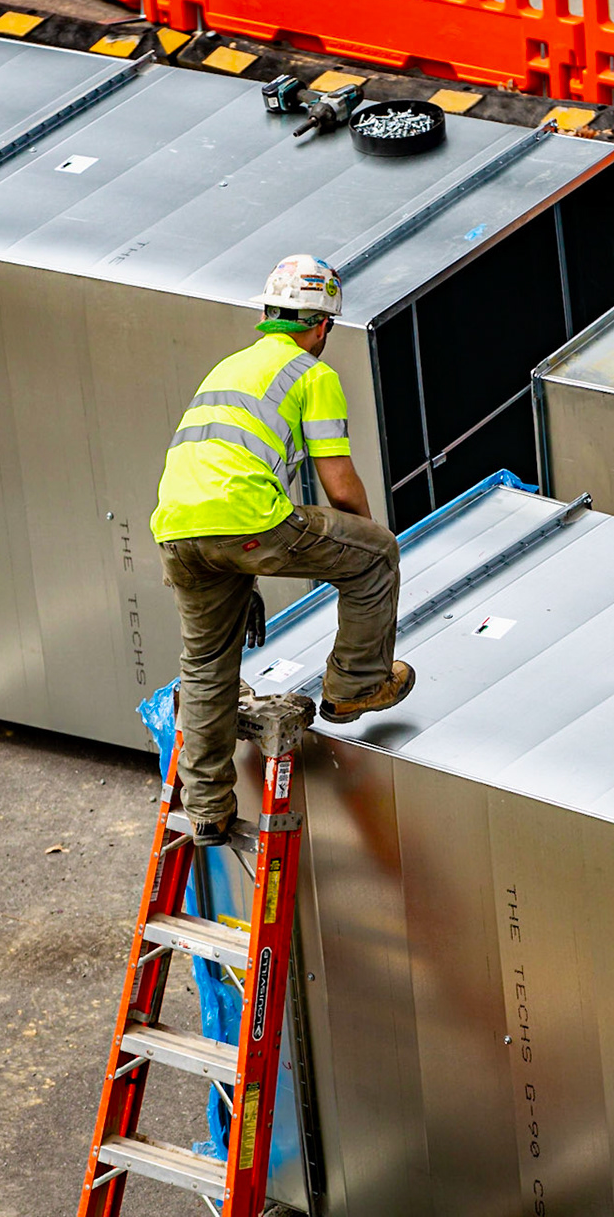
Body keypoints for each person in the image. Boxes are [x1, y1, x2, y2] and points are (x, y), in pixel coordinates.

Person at [151, 255, 416, 846]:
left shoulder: (228, 367)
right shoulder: (311, 374)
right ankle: (353, 686)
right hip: (246, 522)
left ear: (270, 314)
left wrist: (236, 570)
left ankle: (208, 810)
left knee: (205, 663)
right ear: (323, 325)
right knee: (375, 554)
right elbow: (339, 484)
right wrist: (364, 544)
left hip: (178, 532)